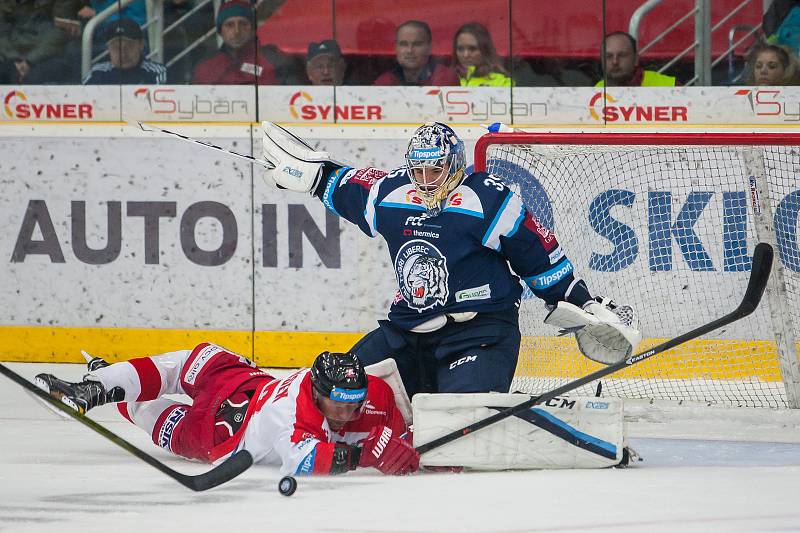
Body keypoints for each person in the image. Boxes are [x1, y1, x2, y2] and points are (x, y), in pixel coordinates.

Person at [261, 122, 642, 398]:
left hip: (480, 335)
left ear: (455, 165)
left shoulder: (491, 200)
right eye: (418, 170)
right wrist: (307, 175)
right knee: (335, 390)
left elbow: (539, 260)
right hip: (408, 332)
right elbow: (340, 184)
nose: (425, 180)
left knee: (458, 416)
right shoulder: (390, 193)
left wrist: (583, 302)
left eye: (435, 170)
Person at [35, 346, 419, 476]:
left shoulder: (373, 394)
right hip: (218, 435)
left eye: (355, 403)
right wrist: (361, 455)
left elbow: (400, 427)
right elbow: (302, 458)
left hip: (242, 380)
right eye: (338, 404)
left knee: (169, 374)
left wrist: (411, 445)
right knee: (155, 391)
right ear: (317, 394)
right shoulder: (291, 417)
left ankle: (100, 379)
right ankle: (92, 389)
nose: (347, 412)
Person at [192, 0, 277, 85]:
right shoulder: (205, 67)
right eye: (229, 25)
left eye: (243, 24)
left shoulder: (272, 60)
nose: (237, 31)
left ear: (252, 30)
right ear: (220, 32)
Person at [374, 20, 460, 86]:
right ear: (396, 48)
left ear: (430, 48)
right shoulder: (385, 82)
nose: (409, 50)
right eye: (403, 44)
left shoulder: (445, 77)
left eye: (417, 44)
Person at [83, 17, 167, 84]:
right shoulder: (96, 74)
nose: (123, 54)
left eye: (129, 46)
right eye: (116, 48)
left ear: (141, 45)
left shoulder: (157, 73)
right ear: (108, 49)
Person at [595, 31, 676, 87]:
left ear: (636, 59)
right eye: (608, 56)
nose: (615, 62)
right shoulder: (594, 92)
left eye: (622, 55)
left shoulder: (667, 86)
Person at [452, 22, 511, 87]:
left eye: (472, 49)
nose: (465, 55)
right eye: (460, 49)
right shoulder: (446, 79)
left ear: (485, 50)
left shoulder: (503, 83)